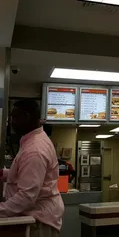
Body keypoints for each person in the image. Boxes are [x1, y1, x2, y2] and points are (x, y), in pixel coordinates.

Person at [0, 99, 64, 237]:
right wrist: (4, 173)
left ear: (26, 117)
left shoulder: (35, 150)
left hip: (38, 221)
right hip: (39, 217)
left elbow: (26, 196)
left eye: (14, 117)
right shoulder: (35, 139)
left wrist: (1, 210)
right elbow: (25, 173)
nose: (11, 122)